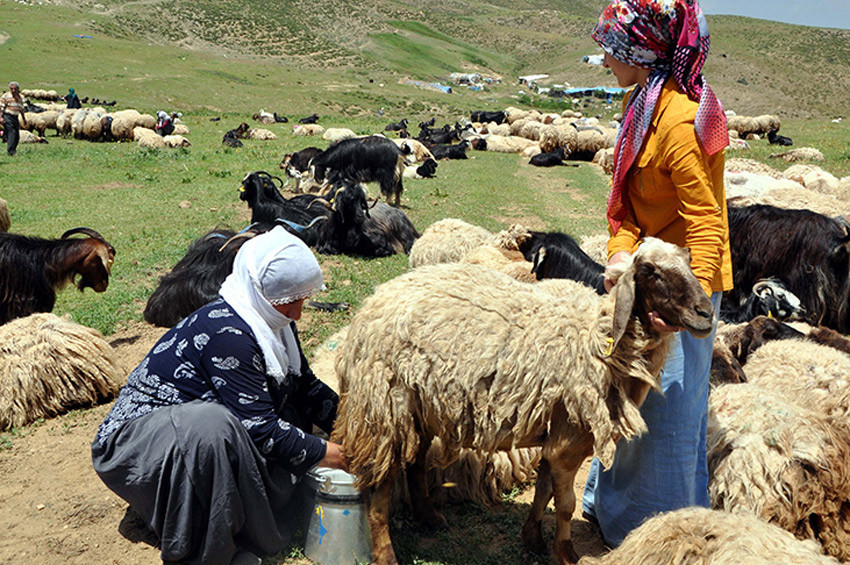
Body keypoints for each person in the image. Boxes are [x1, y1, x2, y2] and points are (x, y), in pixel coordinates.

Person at [92, 226, 347, 565]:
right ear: (259, 290)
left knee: (291, 411)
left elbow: (304, 387)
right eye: (289, 302)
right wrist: (345, 456)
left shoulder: (272, 319)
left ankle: (224, 514)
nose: (297, 313)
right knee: (211, 427)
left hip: (190, 437)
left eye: (301, 299)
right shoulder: (229, 332)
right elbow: (261, 430)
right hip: (137, 447)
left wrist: (358, 423)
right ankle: (207, 552)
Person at [580, 0, 733, 547]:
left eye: (611, 48)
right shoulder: (639, 105)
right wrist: (619, 259)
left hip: (681, 288)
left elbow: (709, 221)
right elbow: (622, 208)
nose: (603, 59)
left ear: (639, 52)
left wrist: (686, 306)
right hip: (646, 281)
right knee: (633, 394)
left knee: (668, 415)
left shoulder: (678, 122)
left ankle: (663, 536)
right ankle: (614, 510)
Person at [0, 81, 27, 156]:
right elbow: (1, 106)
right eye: (11, 89)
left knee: (17, 135)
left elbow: (21, 109)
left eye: (15, 89)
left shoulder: (20, 97)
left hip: (15, 117)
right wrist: (1, 117)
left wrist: (24, 119)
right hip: (8, 116)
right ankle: (11, 151)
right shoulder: (6, 96)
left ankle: (13, 149)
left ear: (18, 89)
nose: (13, 90)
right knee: (12, 133)